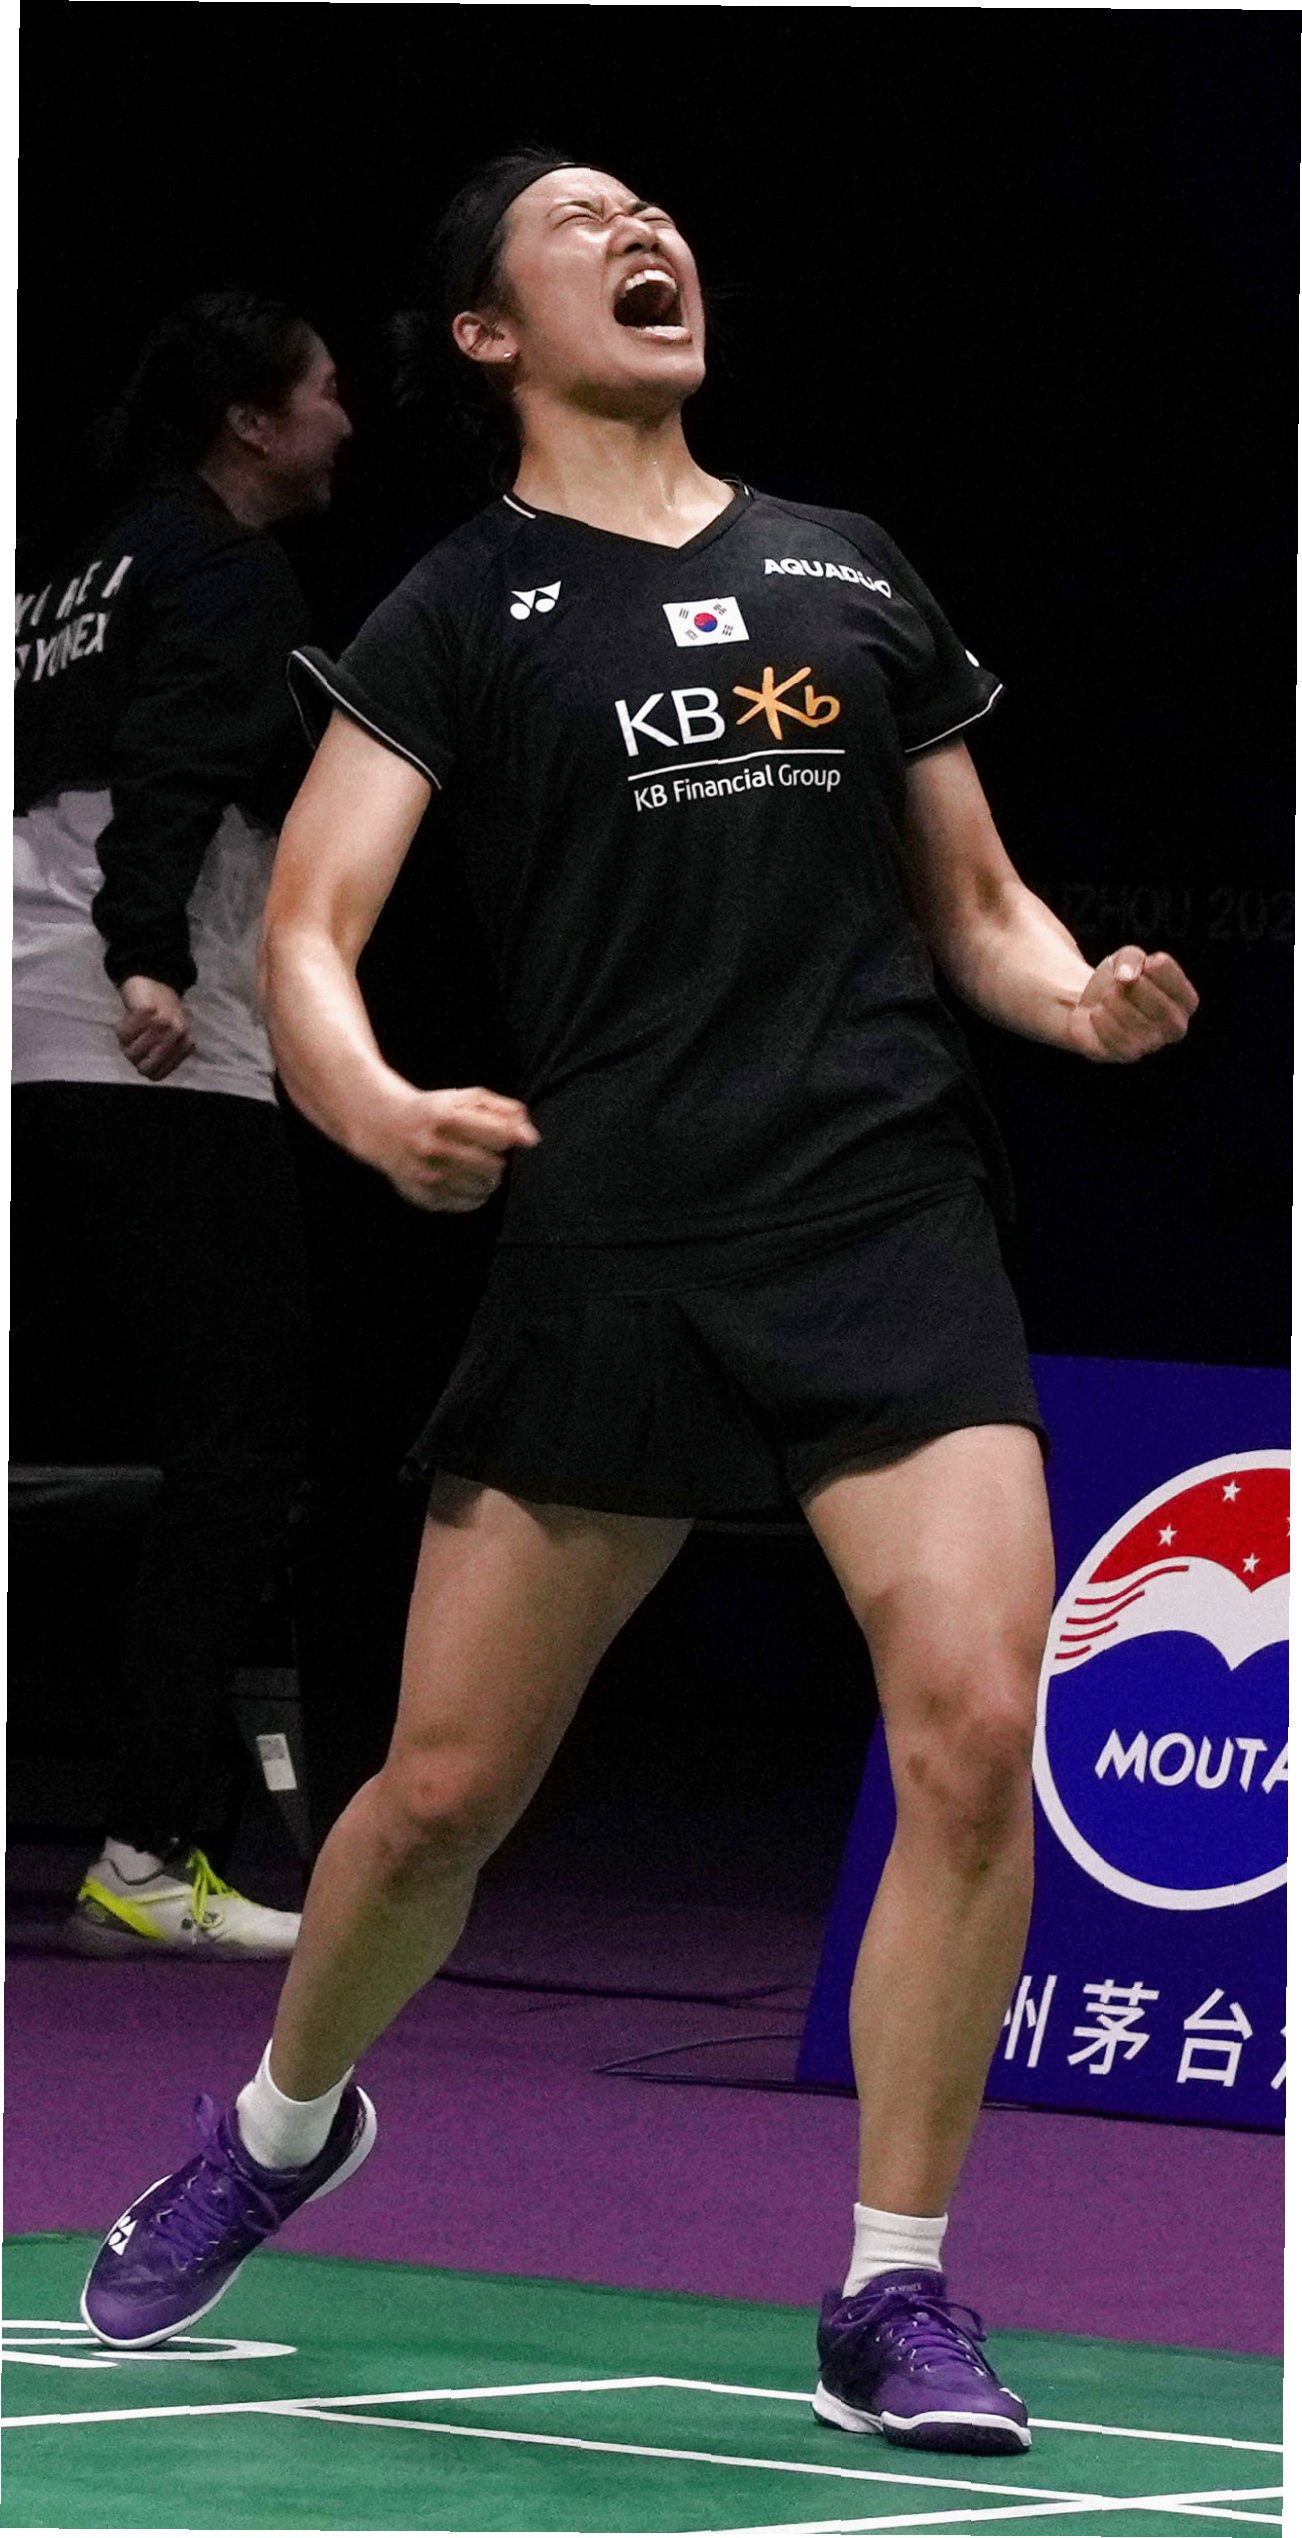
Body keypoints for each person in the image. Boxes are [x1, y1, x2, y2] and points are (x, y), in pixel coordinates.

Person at [81, 155, 1197, 2447]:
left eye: (652, 212)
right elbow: (309, 925)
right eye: (579, 220)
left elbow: (979, 897)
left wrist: (1074, 999)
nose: (638, 231)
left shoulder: (845, 567)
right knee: (436, 1799)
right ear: (488, 334)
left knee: (971, 1726)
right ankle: (282, 2128)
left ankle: (894, 2289)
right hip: (614, 1238)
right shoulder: (459, 608)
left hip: (880, 1212)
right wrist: (370, 1101)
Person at [12, 290, 354, 1956]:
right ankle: (148, 1852)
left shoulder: (73, 576)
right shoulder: (223, 567)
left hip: (27, 1027)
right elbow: (171, 769)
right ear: (250, 422)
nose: (345, 419)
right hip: (149, 1035)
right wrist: (147, 952)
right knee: (242, 1438)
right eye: (324, 392)